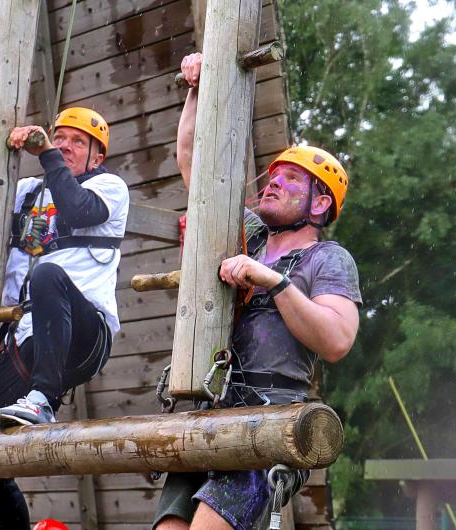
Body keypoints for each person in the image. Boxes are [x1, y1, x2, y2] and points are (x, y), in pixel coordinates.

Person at [153, 53, 362, 530]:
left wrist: (275, 281)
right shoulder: (245, 233)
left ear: (320, 202)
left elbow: (336, 340)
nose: (274, 182)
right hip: (208, 415)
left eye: (292, 180)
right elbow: (192, 160)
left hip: (265, 423)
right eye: (274, 174)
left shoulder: (326, 260)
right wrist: (197, 89)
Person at [0, 107, 129, 530]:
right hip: (30, 338)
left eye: (77, 141)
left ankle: (42, 399)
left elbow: (76, 211)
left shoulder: (110, 186)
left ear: (97, 155)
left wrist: (47, 153)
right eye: (61, 138)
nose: (66, 147)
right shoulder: (28, 190)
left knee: (48, 273)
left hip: (85, 333)